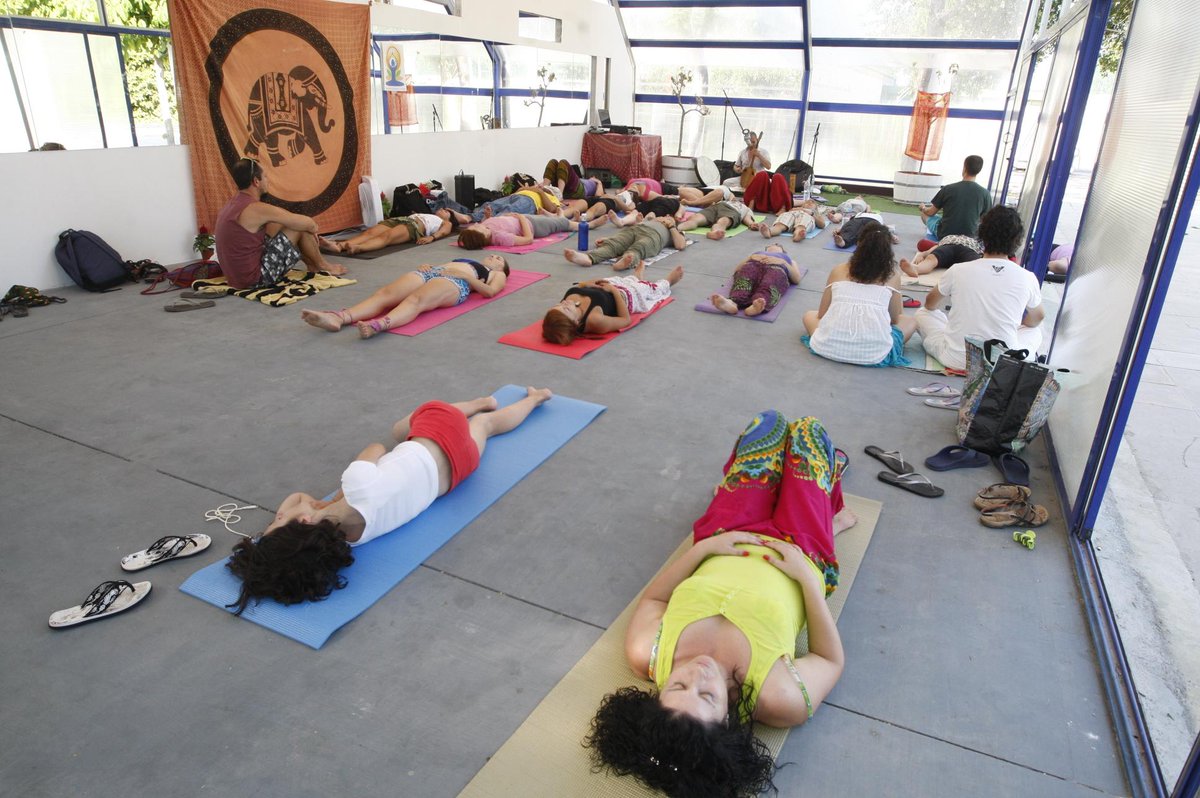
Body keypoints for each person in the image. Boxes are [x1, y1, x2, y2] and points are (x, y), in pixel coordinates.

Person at [585, 410, 855, 798]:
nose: (699, 673)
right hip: (802, 548)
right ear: (727, 720)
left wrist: (706, 548)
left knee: (769, 425)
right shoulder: (777, 698)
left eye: (679, 685)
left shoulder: (648, 652)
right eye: (708, 695)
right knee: (809, 433)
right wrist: (806, 579)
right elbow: (830, 661)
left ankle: (789, 499)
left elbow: (655, 597)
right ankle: (830, 518)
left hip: (727, 533)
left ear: (658, 695)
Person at [226, 388, 553, 614]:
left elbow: (302, 509)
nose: (277, 514)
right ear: (304, 521)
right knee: (401, 428)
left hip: (457, 472)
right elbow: (374, 449)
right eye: (277, 519)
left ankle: (534, 399)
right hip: (438, 432)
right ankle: (478, 401)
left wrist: (299, 516)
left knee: (486, 426)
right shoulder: (355, 485)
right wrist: (300, 507)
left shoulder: (348, 541)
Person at [916, 205, 1044, 371]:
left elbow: (930, 305)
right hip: (1002, 364)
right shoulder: (1027, 277)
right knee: (1035, 332)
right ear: (1017, 240)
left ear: (982, 234)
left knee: (922, 314)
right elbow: (1037, 318)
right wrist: (1017, 328)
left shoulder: (958, 270)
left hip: (955, 358)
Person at [214, 157, 347, 289]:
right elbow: (310, 224)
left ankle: (312, 265)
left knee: (282, 224)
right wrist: (312, 231)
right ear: (256, 182)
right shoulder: (256, 209)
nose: (268, 180)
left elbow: (276, 224)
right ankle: (324, 266)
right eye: (265, 176)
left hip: (235, 279)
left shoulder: (232, 205)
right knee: (298, 227)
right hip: (254, 280)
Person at [300, 255, 509, 338]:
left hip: (459, 282)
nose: (494, 257)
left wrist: (466, 277)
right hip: (434, 271)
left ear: (502, 267)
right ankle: (339, 317)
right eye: (494, 254)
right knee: (385, 294)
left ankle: (379, 325)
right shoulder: (465, 258)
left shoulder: (495, 274)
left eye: (499, 259)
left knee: (416, 300)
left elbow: (489, 292)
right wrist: (431, 266)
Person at [802, 222, 916, 367]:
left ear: (858, 244)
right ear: (888, 249)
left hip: (827, 346)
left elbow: (822, 313)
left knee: (809, 315)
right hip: (875, 354)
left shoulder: (839, 270)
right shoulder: (893, 275)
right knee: (910, 321)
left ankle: (839, 341)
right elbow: (894, 319)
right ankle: (866, 344)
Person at [541, 262, 684, 344]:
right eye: (566, 309)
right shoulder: (594, 320)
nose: (564, 303)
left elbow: (580, 287)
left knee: (626, 280)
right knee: (651, 289)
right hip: (627, 297)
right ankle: (670, 280)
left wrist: (586, 283)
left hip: (610, 285)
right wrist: (614, 291)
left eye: (558, 305)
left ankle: (635, 277)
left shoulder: (567, 304)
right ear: (576, 322)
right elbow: (625, 320)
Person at [564, 215, 691, 271]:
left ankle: (625, 261)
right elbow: (638, 222)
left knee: (639, 248)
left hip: (653, 237)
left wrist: (672, 226)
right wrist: (609, 239)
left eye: (669, 217)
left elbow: (680, 245)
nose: (666, 217)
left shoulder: (675, 230)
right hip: (635, 229)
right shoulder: (653, 219)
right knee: (615, 244)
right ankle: (588, 258)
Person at [710, 244, 802, 316]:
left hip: (776, 267)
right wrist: (750, 258)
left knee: (769, 283)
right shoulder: (757, 253)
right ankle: (731, 303)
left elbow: (797, 279)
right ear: (766, 248)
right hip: (753, 264)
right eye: (772, 244)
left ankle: (755, 306)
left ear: (783, 251)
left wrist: (783, 262)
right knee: (745, 278)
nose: (775, 244)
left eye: (778, 244)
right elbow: (737, 270)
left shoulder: (788, 259)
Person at [918, 155, 992, 242]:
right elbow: (986, 220)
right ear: (979, 171)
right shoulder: (985, 193)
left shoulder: (948, 189)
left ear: (964, 168)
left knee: (925, 214)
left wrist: (923, 208)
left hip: (945, 234)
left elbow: (930, 212)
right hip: (970, 236)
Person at [319, 212, 452, 255]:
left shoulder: (445, 222)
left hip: (415, 226)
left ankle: (358, 248)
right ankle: (339, 246)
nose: (442, 210)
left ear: (449, 216)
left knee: (386, 237)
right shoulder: (428, 213)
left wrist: (432, 237)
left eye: (446, 211)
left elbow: (445, 231)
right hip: (402, 219)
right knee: (369, 232)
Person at [457, 212, 598, 249]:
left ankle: (560, 216)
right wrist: (522, 218)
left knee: (553, 220)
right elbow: (528, 239)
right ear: (485, 236)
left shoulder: (486, 228)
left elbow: (492, 223)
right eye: (477, 227)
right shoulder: (499, 237)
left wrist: (488, 217)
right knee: (561, 224)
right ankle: (586, 225)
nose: (476, 224)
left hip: (527, 219)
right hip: (534, 225)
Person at [898, 234, 983, 277]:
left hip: (967, 249)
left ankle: (981, 276)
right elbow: (934, 248)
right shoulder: (947, 239)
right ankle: (916, 269)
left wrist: (923, 254)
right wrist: (923, 254)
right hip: (948, 247)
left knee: (976, 264)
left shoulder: (974, 242)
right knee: (931, 258)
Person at [677, 198, 759, 240]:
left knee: (724, 220)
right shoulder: (727, 199)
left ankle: (714, 232)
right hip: (717, 206)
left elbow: (747, 218)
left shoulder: (746, 208)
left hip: (733, 210)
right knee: (696, 218)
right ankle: (677, 228)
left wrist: (751, 224)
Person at [760, 199, 828, 242]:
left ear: (816, 208)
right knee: (781, 223)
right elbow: (789, 210)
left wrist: (812, 214)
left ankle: (798, 234)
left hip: (806, 216)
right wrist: (797, 209)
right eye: (807, 202)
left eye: (812, 202)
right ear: (803, 205)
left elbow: (822, 225)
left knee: (802, 224)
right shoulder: (796, 208)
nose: (810, 202)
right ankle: (769, 231)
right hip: (793, 214)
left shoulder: (815, 213)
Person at [831, 211, 899, 249]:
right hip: (858, 219)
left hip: (871, 221)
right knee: (852, 230)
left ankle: (845, 242)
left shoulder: (878, 217)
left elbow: (884, 227)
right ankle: (842, 242)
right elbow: (849, 223)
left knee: (872, 232)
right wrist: (840, 228)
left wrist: (891, 236)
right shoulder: (860, 213)